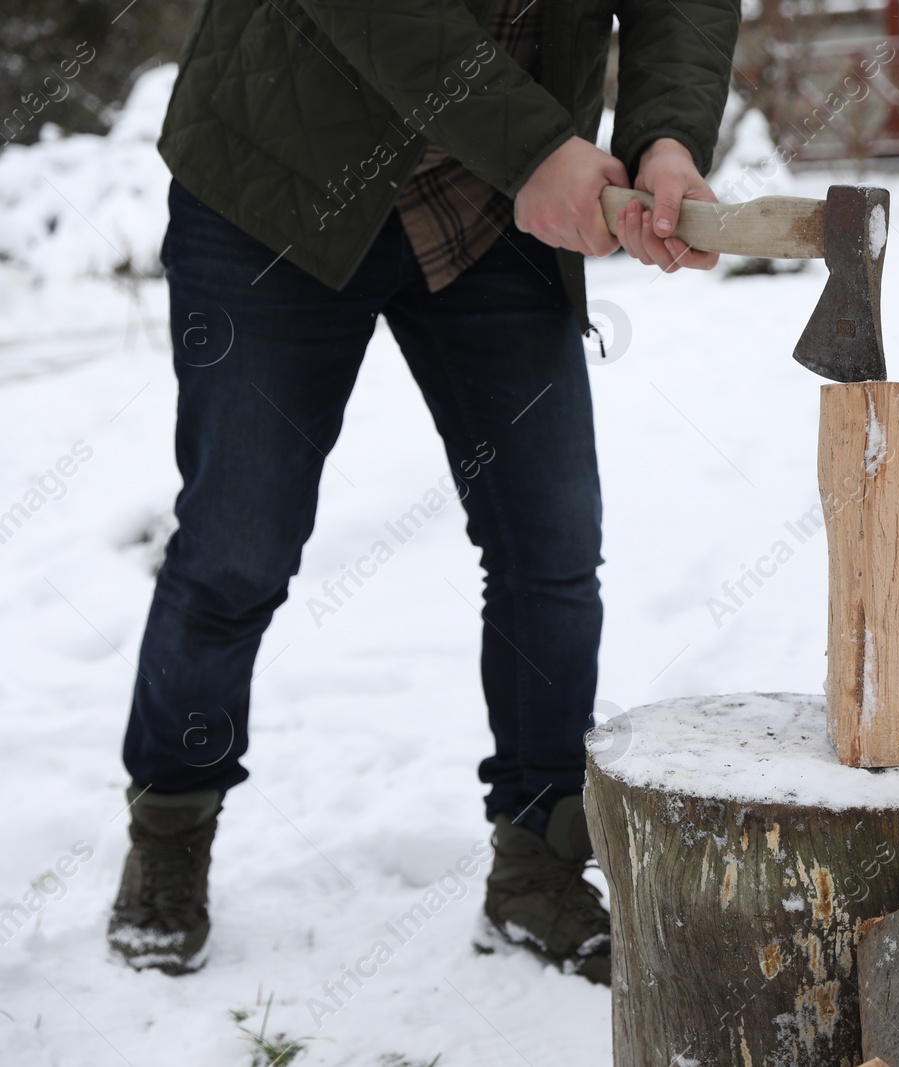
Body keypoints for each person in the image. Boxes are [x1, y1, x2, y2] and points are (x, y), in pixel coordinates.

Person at [105, 0, 740, 984]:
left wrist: (665, 138)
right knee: (240, 544)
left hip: (492, 206)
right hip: (283, 173)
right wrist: (537, 147)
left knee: (552, 544)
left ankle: (539, 861)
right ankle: (171, 827)